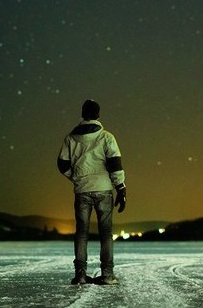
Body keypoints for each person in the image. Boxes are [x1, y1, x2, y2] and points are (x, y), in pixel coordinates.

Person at [57, 99, 127, 285]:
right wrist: (120, 188)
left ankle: (80, 275)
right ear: (98, 115)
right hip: (104, 190)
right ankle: (107, 275)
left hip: (82, 191)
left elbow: (62, 164)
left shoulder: (70, 139)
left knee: (81, 233)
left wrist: (76, 177)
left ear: (83, 114)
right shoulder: (106, 137)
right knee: (106, 233)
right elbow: (114, 164)